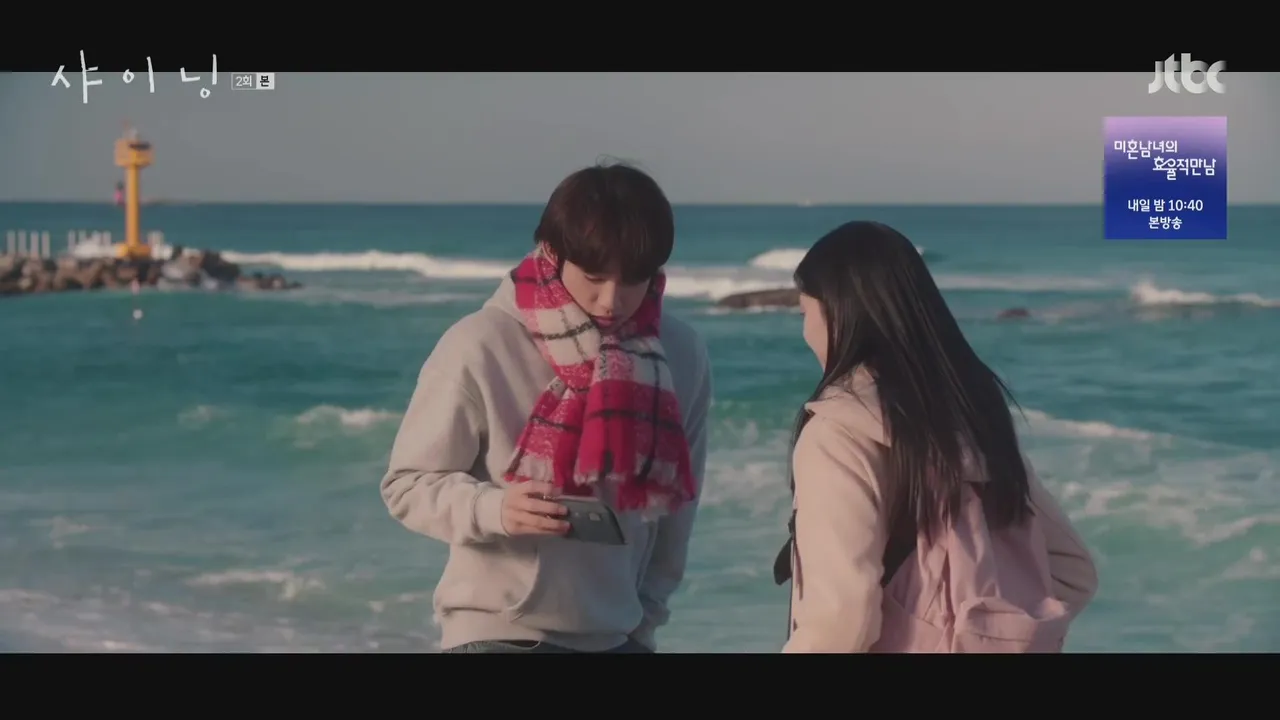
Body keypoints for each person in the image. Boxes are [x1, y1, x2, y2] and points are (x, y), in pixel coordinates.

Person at [380, 161, 713, 654]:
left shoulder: (680, 353)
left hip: (619, 637)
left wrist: (645, 623)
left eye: (633, 280)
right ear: (553, 253)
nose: (611, 300)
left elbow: (677, 512)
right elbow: (407, 485)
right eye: (594, 276)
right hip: (497, 634)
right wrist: (494, 509)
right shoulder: (481, 343)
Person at [773, 220, 1098, 652]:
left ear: (838, 313)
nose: (806, 332)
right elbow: (1072, 571)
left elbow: (840, 622)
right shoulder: (971, 417)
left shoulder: (838, 431)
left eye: (805, 313)